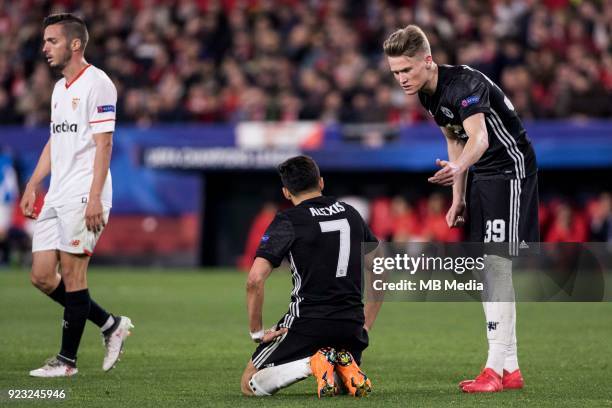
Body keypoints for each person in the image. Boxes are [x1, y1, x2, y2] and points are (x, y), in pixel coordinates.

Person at [384, 25, 539, 393]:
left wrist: (459, 169)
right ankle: (510, 368)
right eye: (394, 73)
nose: (401, 79)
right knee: (490, 268)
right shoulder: (427, 93)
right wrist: (458, 195)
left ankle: (494, 368)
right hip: (482, 174)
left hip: (509, 169)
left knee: (495, 267)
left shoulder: (464, 86)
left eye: (406, 70)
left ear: (427, 60)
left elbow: (480, 138)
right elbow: (454, 139)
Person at [20, 13, 133, 378]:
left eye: (51, 41)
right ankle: (111, 325)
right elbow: (57, 140)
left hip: (85, 192)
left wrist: (95, 197)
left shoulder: (98, 83)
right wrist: (34, 182)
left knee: (72, 274)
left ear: (74, 44)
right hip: (57, 193)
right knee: (41, 276)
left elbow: (105, 144)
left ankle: (66, 362)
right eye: (44, 41)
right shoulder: (59, 88)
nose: (44, 48)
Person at [240, 155, 382, 398]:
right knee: (337, 384)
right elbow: (380, 267)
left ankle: (312, 363)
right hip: (350, 322)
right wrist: (365, 324)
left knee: (248, 384)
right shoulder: (351, 213)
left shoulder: (288, 220)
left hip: (307, 321)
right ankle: (340, 368)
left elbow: (254, 280)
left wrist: (257, 332)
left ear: (286, 192)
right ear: (321, 182)